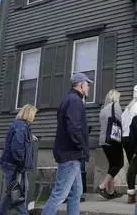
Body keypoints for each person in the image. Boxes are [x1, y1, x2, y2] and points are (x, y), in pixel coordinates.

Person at [39, 73, 92, 215]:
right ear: (81, 85)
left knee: (76, 192)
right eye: (87, 85)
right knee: (60, 193)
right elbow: (73, 127)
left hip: (70, 152)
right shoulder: (74, 101)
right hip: (71, 153)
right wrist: (82, 146)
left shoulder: (69, 99)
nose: (88, 88)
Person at [0, 104, 38, 215]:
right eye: (34, 114)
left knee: (11, 192)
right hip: (14, 165)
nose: (34, 116)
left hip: (13, 164)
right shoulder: (21, 127)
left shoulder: (20, 126)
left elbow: (19, 141)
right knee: (17, 192)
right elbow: (17, 148)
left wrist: (30, 137)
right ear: (29, 114)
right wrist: (21, 164)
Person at [96, 89, 124, 199]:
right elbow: (121, 121)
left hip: (103, 141)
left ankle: (111, 192)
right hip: (113, 139)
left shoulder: (103, 109)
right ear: (115, 98)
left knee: (112, 165)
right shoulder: (116, 106)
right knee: (119, 164)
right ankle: (102, 186)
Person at [121, 84, 137, 203]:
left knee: (132, 165)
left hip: (124, 138)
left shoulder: (127, 108)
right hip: (133, 138)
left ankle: (131, 193)